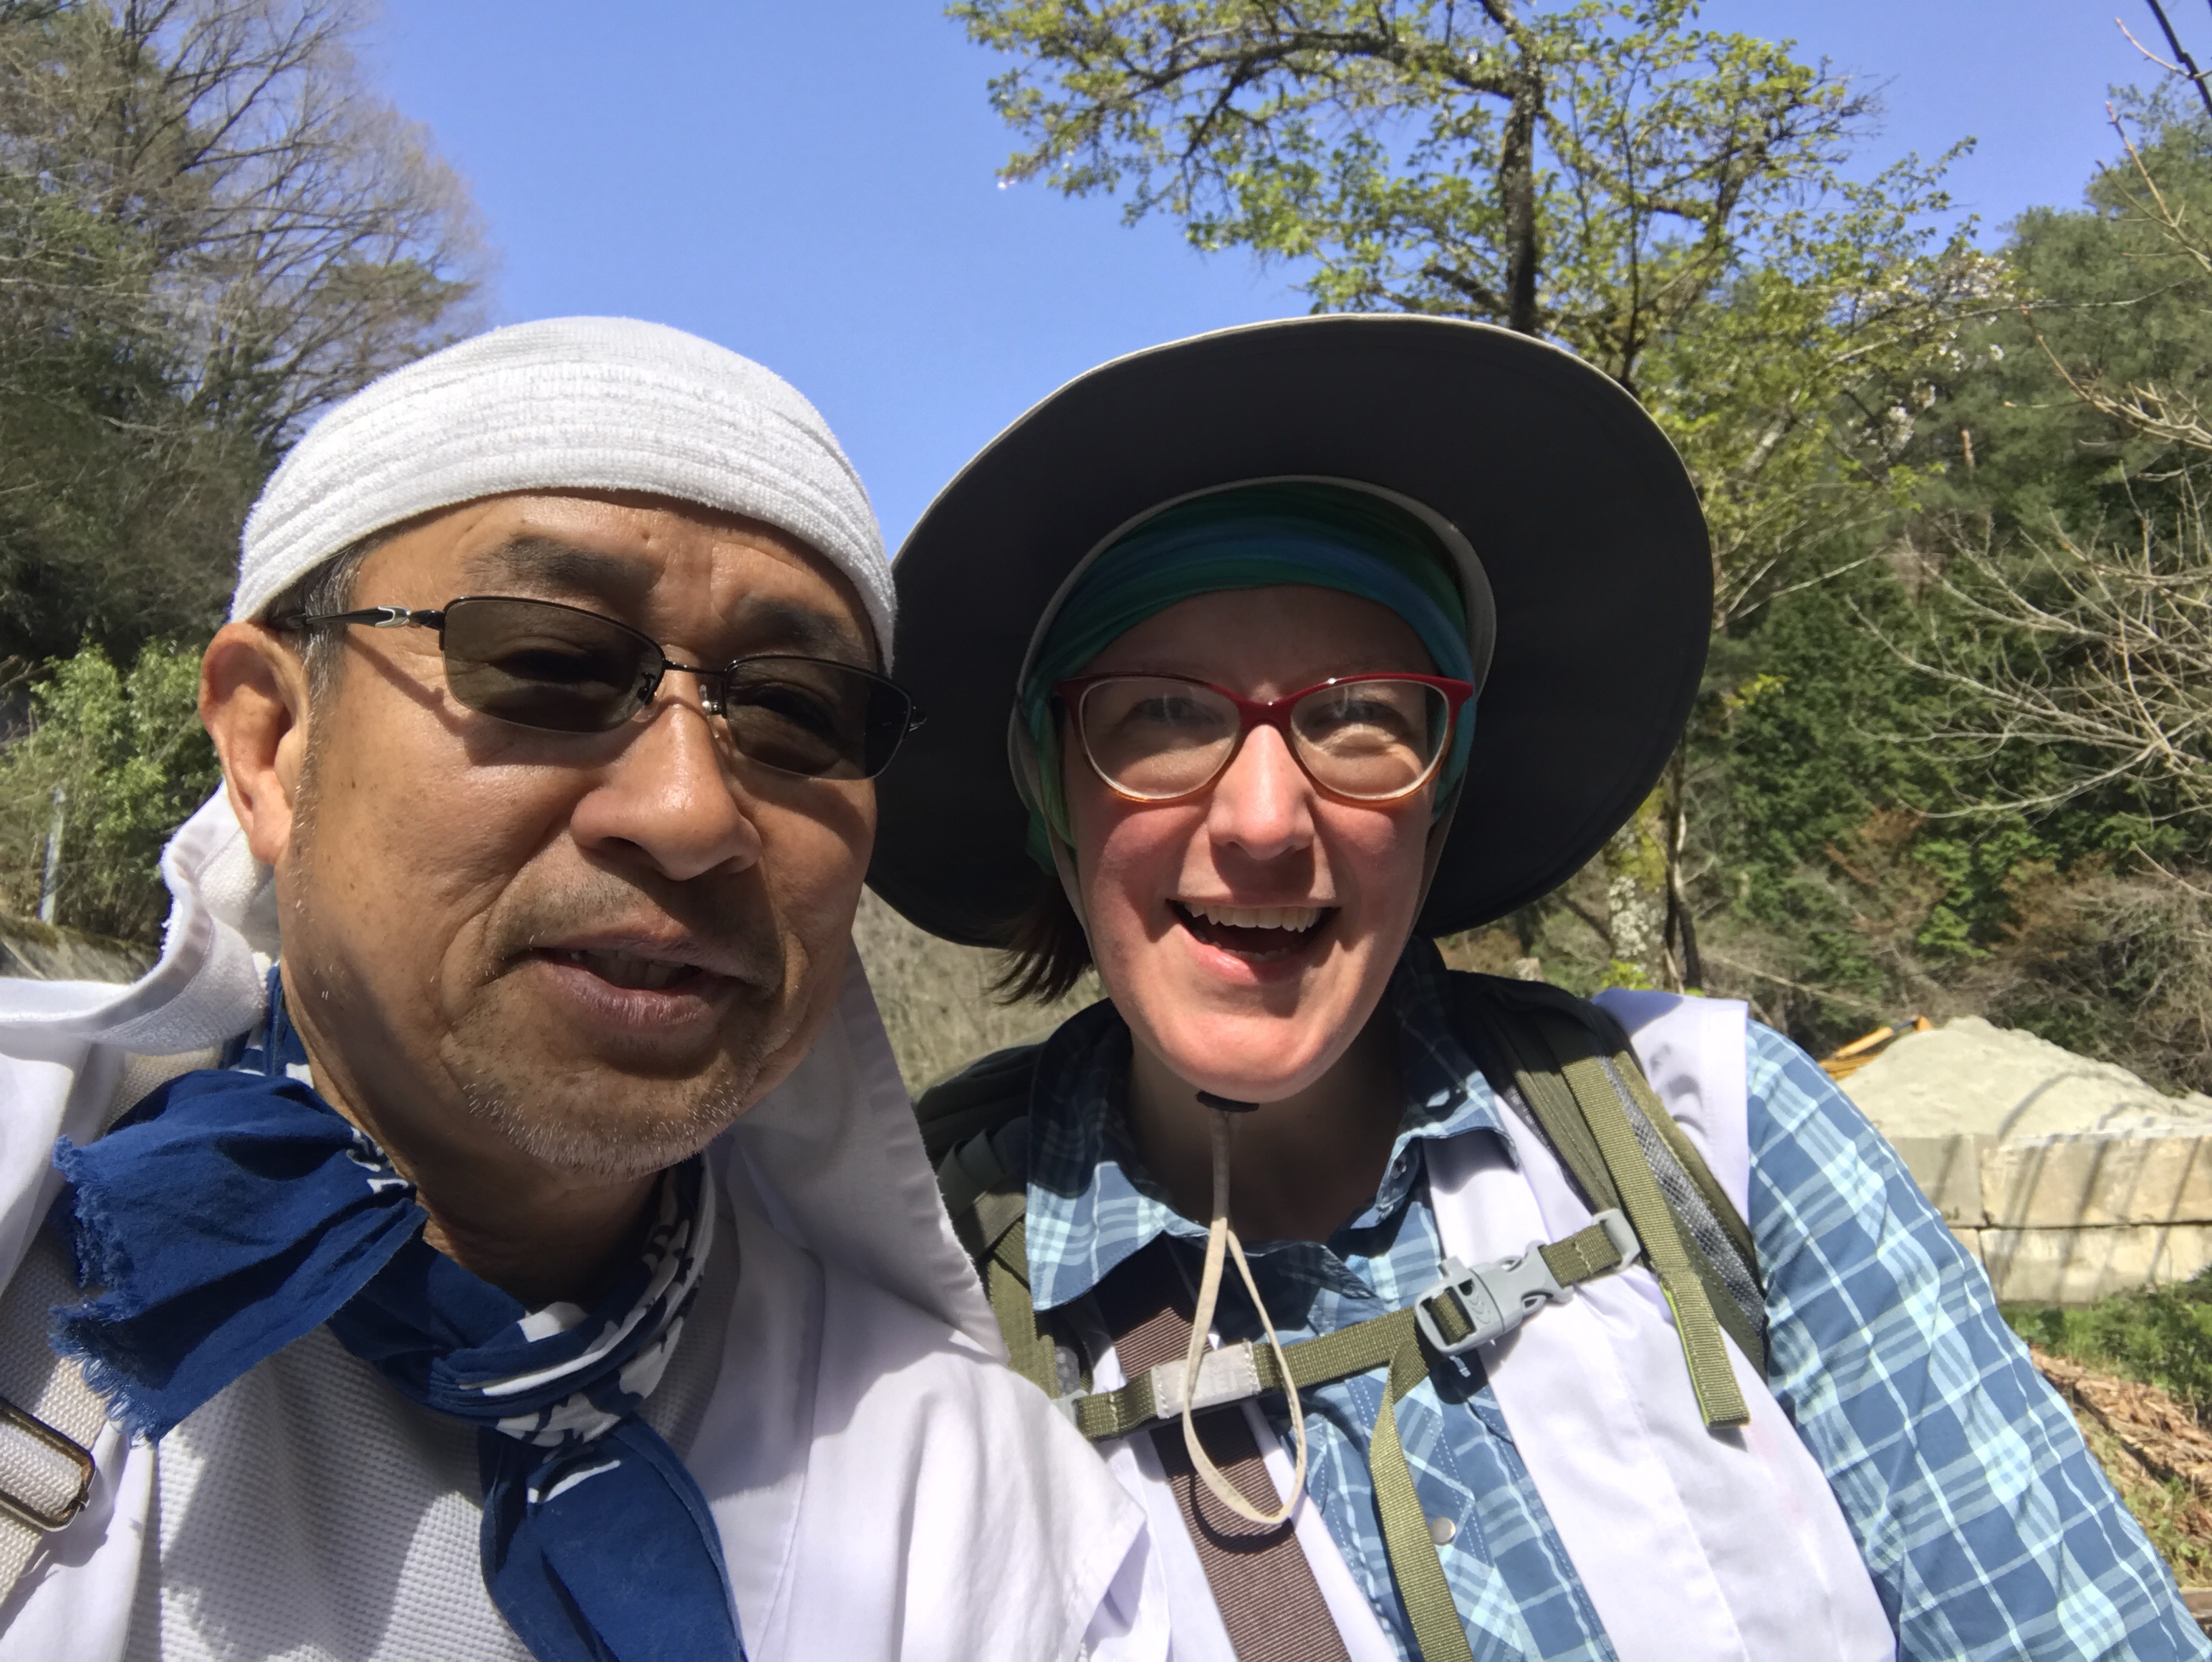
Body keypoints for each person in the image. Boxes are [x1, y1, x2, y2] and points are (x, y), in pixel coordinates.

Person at [869, 314, 2206, 1661]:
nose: (1265, 819)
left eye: (1359, 714)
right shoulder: (931, 1313)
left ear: (1439, 803)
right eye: (1162, 714)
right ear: (1054, 795)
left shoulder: (1714, 1132)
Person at [0, 317, 1161, 1662]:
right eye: (548, 664)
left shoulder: (978, 1521)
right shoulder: (31, 1235)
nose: (689, 811)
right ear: (272, 743)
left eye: (795, 710)